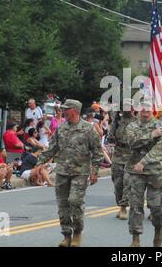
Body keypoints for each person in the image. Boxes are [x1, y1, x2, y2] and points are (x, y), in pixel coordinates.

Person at [38, 99, 103, 247]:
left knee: (75, 201)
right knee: (63, 204)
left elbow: (98, 152)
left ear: (74, 110)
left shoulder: (88, 129)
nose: (63, 112)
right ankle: (66, 235)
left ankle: (78, 233)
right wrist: (40, 162)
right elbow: (52, 148)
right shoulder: (61, 128)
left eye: (66, 109)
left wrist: (95, 172)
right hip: (62, 172)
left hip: (80, 172)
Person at [125, 101, 162, 247]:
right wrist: (151, 135)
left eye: (148, 110)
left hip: (154, 171)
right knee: (135, 206)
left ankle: (158, 231)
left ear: (153, 111)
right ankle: (135, 238)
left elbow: (160, 148)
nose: (145, 112)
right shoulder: (132, 126)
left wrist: (143, 162)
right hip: (136, 173)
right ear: (138, 110)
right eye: (143, 109)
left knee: (156, 207)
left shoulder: (161, 125)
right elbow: (132, 143)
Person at [109, 99, 136, 220]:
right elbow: (111, 137)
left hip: (131, 155)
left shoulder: (137, 122)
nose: (126, 109)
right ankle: (120, 203)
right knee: (117, 183)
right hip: (118, 154)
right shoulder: (117, 121)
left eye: (128, 107)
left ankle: (124, 207)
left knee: (127, 182)